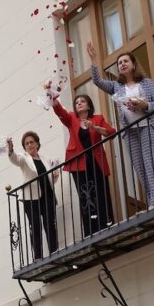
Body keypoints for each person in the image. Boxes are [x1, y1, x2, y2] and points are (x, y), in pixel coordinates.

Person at [87, 42, 154, 209]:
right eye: (119, 63)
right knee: (140, 167)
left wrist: (144, 106)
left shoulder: (146, 83)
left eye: (125, 61)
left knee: (153, 163)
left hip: (148, 126)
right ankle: (153, 201)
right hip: (130, 133)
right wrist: (94, 60)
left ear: (133, 65)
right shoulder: (117, 86)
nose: (122, 64)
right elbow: (97, 81)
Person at [52, 94, 116, 236]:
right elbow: (60, 112)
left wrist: (95, 127)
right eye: (77, 103)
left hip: (96, 162)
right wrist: (53, 99)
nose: (79, 104)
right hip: (79, 164)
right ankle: (91, 231)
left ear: (88, 105)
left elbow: (111, 133)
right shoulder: (72, 119)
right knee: (86, 197)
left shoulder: (97, 118)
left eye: (83, 101)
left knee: (101, 192)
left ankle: (106, 224)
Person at [6, 132, 59, 260]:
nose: (30, 145)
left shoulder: (45, 158)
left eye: (32, 142)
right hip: (31, 198)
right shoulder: (24, 158)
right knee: (35, 226)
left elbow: (52, 175)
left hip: (47, 194)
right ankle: (38, 256)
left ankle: (54, 251)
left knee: (50, 223)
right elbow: (14, 159)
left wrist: (55, 173)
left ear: (37, 144)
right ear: (24, 147)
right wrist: (11, 149)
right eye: (27, 143)